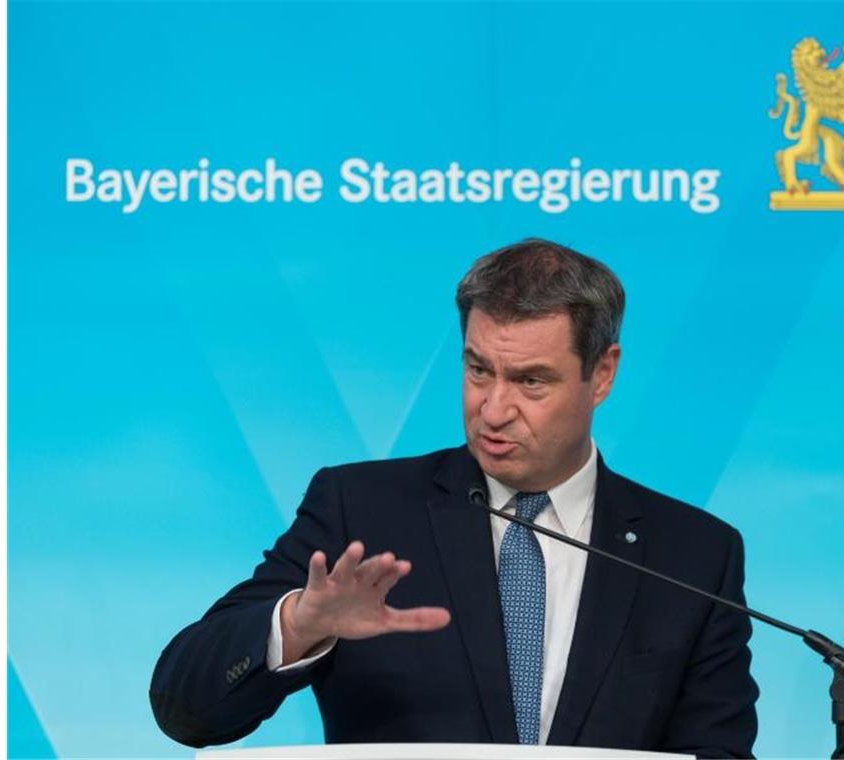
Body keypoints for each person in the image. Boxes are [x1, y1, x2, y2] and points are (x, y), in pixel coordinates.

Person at [150, 238, 759, 757]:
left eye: (530, 381)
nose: (493, 409)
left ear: (601, 374)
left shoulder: (694, 556)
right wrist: (297, 624)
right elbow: (185, 710)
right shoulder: (360, 509)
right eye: (478, 370)